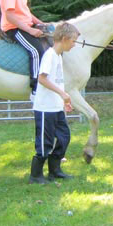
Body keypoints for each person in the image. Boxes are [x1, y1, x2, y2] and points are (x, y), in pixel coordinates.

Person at [28, 22, 80, 184]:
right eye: (73, 41)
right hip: (45, 108)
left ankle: (54, 170)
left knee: (64, 137)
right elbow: (42, 79)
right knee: (45, 143)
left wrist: (63, 101)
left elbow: (56, 81)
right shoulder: (49, 55)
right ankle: (35, 175)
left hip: (56, 107)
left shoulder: (58, 56)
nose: (74, 45)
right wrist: (63, 94)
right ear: (64, 39)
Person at [0, 0, 47, 101]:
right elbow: (11, 16)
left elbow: (25, 12)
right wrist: (31, 30)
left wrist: (40, 23)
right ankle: (35, 89)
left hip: (25, 25)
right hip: (14, 28)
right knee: (36, 50)